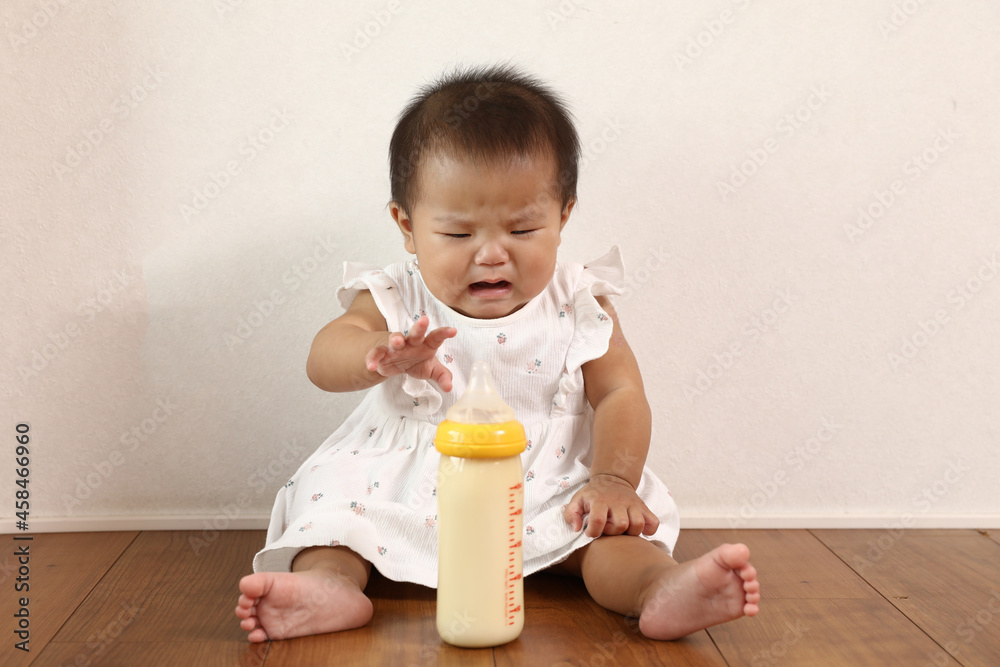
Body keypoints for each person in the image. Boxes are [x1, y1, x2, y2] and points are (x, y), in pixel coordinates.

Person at [236, 64, 759, 643]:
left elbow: (619, 392)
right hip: (402, 481)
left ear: (562, 217)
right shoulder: (393, 293)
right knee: (334, 522)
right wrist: (376, 352)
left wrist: (613, 478)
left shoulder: (580, 303)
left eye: (522, 230)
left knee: (605, 540)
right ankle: (330, 588)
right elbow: (322, 358)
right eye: (458, 235)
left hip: (545, 480)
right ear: (407, 227)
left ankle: (657, 589)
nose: (491, 254)